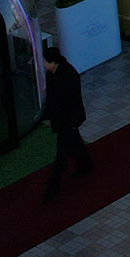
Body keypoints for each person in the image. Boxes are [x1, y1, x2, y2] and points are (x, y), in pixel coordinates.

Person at [41, 47, 91, 201]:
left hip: (67, 121)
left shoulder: (68, 75)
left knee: (61, 155)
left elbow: (72, 102)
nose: (43, 64)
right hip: (64, 120)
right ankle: (85, 165)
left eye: (45, 61)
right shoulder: (54, 73)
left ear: (52, 62)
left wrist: (73, 122)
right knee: (74, 143)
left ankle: (53, 186)